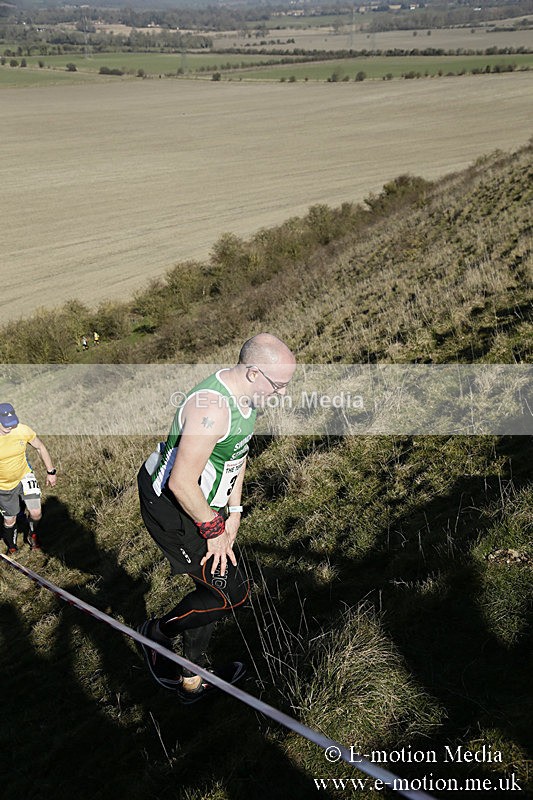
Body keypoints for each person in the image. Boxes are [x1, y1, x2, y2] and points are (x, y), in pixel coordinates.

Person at [137, 333, 296, 703]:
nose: (283, 394)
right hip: (173, 506)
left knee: (214, 587)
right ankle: (154, 634)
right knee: (232, 594)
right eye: (280, 386)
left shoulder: (248, 397)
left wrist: (234, 511)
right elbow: (180, 482)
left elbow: (236, 454)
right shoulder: (212, 409)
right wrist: (214, 529)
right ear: (255, 373)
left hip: (203, 501)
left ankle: (192, 679)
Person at [0, 403, 57, 553]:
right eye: (6, 425)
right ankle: (12, 546)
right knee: (9, 520)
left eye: (12, 424)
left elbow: (40, 447)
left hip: (25, 476)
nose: (10, 428)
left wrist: (51, 471)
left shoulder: (22, 430)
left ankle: (33, 535)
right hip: (4, 485)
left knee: (36, 513)